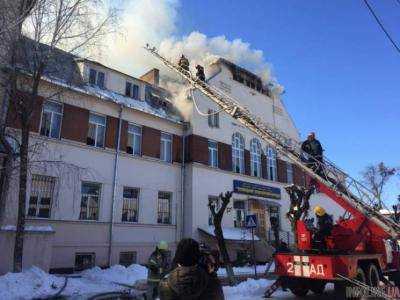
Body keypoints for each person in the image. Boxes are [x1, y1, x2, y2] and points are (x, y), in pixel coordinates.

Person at [159, 238, 224, 300]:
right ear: (198, 258)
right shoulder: (212, 284)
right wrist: (212, 276)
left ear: (177, 260)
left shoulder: (165, 284)